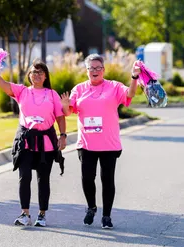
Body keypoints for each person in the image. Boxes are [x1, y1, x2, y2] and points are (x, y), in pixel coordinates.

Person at [0, 55, 67, 227]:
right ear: (29, 75)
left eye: (41, 72)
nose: (37, 75)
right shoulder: (22, 92)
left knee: (43, 179)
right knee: (24, 177)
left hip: (46, 143)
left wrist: (63, 135)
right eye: (34, 72)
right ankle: (25, 214)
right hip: (25, 142)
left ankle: (41, 215)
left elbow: (60, 117)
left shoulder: (52, 94)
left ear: (45, 76)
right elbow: (2, 84)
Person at [60, 54, 140, 229]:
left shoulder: (114, 87)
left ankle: (106, 216)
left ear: (103, 70)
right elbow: (67, 112)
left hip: (108, 144)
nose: (95, 71)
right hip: (87, 144)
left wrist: (134, 77)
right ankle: (91, 207)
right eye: (91, 68)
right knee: (87, 178)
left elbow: (131, 93)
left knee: (107, 180)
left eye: (98, 68)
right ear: (87, 70)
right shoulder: (79, 89)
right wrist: (65, 105)